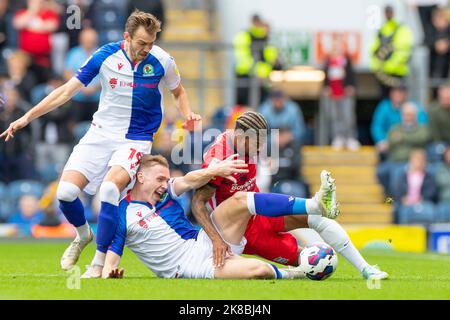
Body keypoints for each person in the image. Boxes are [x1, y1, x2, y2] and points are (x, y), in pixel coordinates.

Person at [1, 10, 201, 277]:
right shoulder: (105, 56)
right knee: (66, 193)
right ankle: (83, 235)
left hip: (136, 139)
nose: (146, 49)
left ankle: (98, 263)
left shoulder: (162, 60)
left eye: (151, 43)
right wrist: (27, 116)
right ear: (127, 37)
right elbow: (66, 91)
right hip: (100, 133)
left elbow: (178, 91)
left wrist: (187, 115)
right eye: (142, 43)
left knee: (109, 190)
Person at [191, 111, 388, 280]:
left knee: (317, 224)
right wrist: (216, 239)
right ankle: (316, 204)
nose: (260, 149)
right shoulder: (219, 159)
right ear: (243, 137)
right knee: (306, 260)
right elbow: (197, 203)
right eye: (257, 143)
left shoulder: (241, 140)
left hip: (260, 213)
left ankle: (366, 269)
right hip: (243, 230)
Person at [101, 154, 328, 280]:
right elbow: (111, 259)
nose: (164, 184)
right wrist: (110, 274)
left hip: (204, 241)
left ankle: (313, 205)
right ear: (141, 177)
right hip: (188, 267)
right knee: (260, 270)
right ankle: (299, 273)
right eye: (160, 179)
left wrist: (216, 170)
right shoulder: (122, 214)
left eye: (166, 179)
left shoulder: (166, 192)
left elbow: (189, 180)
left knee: (240, 200)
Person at [377, 102, 431, 195]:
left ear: (415, 116)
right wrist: (409, 138)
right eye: (405, 114)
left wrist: (401, 138)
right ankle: (389, 195)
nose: (408, 117)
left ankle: (394, 202)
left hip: (412, 162)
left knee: (397, 174)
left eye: (410, 114)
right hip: (395, 160)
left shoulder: (422, 128)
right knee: (381, 172)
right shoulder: (395, 128)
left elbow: (422, 138)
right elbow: (390, 141)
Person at [234, 14, 281, 106]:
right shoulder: (246, 36)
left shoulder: (265, 39)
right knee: (247, 109)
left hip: (261, 81)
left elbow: (271, 59)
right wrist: (258, 73)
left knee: (259, 109)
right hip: (246, 78)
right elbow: (243, 60)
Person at [322, 34, 359, 150]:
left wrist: (350, 86)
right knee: (335, 116)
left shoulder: (346, 59)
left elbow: (351, 75)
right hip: (333, 94)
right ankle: (338, 137)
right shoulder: (328, 60)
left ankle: (350, 138)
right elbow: (326, 77)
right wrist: (326, 87)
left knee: (348, 116)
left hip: (345, 93)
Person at [371, 85, 428, 157]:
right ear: (391, 93)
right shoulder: (384, 106)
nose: (398, 95)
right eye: (395, 92)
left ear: (406, 94)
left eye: (401, 92)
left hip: (412, 145)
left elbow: (423, 127)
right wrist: (382, 140)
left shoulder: (413, 106)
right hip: (391, 145)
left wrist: (402, 136)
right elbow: (377, 126)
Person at [370, 5, 413, 97]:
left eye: (390, 12)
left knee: (398, 99)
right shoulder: (382, 29)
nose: (388, 15)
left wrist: (388, 65)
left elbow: (403, 50)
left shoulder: (401, 28)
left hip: (398, 73)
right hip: (383, 74)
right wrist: (377, 67)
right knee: (385, 99)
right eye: (386, 12)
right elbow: (375, 51)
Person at [13, 0, 60, 83]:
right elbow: (18, 24)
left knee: (44, 78)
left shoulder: (48, 13)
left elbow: (52, 26)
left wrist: (29, 27)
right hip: (25, 56)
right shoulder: (22, 12)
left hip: (43, 57)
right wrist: (32, 11)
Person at [392, 149, 437, 224]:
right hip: (405, 203)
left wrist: (421, 199)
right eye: (416, 159)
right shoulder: (402, 176)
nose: (418, 162)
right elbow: (396, 192)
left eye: (421, 160)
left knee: (429, 209)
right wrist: (403, 199)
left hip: (423, 202)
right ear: (411, 161)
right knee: (399, 208)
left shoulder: (429, 177)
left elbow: (432, 191)